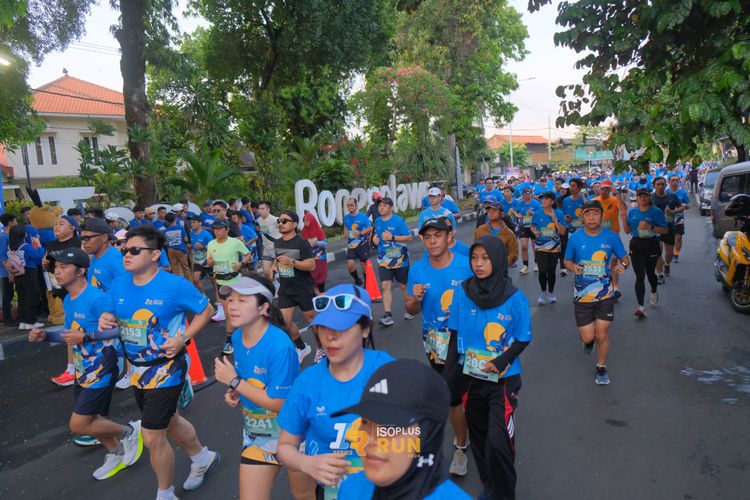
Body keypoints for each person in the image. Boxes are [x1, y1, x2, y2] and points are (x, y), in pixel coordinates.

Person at [98, 225, 219, 500]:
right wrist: (106, 318)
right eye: (124, 250)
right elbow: (111, 313)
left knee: (152, 436)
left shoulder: (174, 286)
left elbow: (207, 310)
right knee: (170, 420)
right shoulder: (119, 282)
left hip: (167, 368)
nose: (126, 255)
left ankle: (165, 494)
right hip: (137, 370)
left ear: (154, 255)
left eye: (134, 250)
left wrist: (183, 338)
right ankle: (203, 457)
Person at [28, 247, 144, 480]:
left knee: (79, 425)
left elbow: (120, 330)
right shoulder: (69, 300)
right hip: (83, 369)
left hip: (103, 367)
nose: (57, 271)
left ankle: (130, 431)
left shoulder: (98, 299)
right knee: (95, 420)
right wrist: (46, 336)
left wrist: (86, 337)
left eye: (63, 267)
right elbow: (71, 334)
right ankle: (116, 453)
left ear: (81, 271)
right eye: (56, 267)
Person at [276, 284, 394, 500]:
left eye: (342, 327)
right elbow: (285, 446)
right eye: (323, 327)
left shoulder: (390, 373)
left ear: (365, 329)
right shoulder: (307, 383)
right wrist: (307, 463)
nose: (330, 337)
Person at [446, 236, 532, 500]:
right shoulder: (463, 292)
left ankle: (505, 493)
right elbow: (454, 336)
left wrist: (501, 361)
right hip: (472, 379)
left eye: (485, 258)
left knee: (498, 442)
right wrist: (448, 379)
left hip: (504, 381)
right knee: (480, 437)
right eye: (474, 258)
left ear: (497, 260)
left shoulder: (515, 298)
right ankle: (490, 486)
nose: (478, 264)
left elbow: (523, 338)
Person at [212, 276, 302, 500]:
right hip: (258, 436)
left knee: (304, 495)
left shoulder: (280, 346)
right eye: (230, 300)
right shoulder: (238, 336)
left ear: (263, 308)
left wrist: (235, 382)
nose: (232, 306)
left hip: (295, 436)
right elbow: (249, 381)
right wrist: (235, 391)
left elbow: (280, 403)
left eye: (242, 300)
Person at [334, 359, 472, 499]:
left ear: (428, 435)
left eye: (389, 427)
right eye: (365, 422)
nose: (368, 439)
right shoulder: (350, 487)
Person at [405, 218, 473, 477]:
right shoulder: (418, 270)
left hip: (466, 339)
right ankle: (462, 441)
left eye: (437, 235)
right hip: (435, 343)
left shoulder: (465, 265)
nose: (432, 241)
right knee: (451, 394)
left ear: (449, 236)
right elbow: (411, 308)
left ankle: (462, 444)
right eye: (427, 237)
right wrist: (416, 299)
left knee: (460, 392)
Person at [563, 201, 629, 386]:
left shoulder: (611, 237)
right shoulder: (575, 237)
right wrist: (572, 267)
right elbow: (567, 260)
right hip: (582, 295)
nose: (591, 217)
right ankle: (588, 342)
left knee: (602, 333)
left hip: (604, 294)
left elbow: (625, 258)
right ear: (582, 217)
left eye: (595, 213)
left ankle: (601, 367)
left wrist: (623, 266)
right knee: (588, 337)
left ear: (601, 216)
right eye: (588, 214)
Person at [43, 215, 83, 386]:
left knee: (83, 328)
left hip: (80, 291)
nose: (56, 227)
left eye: (61, 224)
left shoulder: (79, 243)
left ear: (72, 228)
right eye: (55, 224)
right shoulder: (50, 245)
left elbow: (85, 265)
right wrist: (45, 264)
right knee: (70, 328)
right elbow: (50, 268)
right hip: (61, 290)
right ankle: (71, 370)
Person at [273, 210, 316, 363]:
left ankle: (322, 348)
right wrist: (273, 267)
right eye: (279, 220)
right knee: (284, 323)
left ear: (294, 224)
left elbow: (311, 265)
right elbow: (278, 261)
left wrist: (292, 262)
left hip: (303, 289)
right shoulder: (277, 243)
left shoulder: (301, 243)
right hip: (286, 289)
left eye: (285, 221)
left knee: (313, 321)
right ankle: (301, 347)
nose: (280, 223)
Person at [206, 219, 254, 354]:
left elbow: (248, 255)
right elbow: (209, 261)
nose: (216, 232)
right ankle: (231, 340)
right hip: (221, 283)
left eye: (219, 229)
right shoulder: (211, 244)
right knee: (229, 314)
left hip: (235, 283)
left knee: (239, 311)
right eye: (215, 229)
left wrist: (241, 264)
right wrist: (210, 262)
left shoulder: (235, 243)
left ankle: (245, 335)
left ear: (227, 230)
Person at [621, 188, 669, 317]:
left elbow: (665, 230)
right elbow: (627, 231)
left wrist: (650, 227)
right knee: (639, 276)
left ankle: (654, 289)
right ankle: (641, 306)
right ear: (636, 198)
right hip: (636, 244)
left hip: (651, 244)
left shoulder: (656, 212)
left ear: (649, 197)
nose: (642, 198)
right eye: (640, 196)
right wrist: (624, 220)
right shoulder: (633, 211)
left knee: (650, 273)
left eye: (645, 196)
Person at [372, 197, 413, 326]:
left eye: (384, 206)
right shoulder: (378, 221)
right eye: (380, 206)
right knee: (385, 286)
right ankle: (388, 315)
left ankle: (411, 307)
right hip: (384, 260)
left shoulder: (398, 221)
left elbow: (409, 237)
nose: (381, 208)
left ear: (391, 208)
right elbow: (377, 235)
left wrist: (392, 237)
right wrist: (374, 240)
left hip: (400, 260)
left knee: (403, 286)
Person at [530, 192, 566, 305]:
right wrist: (534, 232)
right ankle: (543, 292)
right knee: (542, 270)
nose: (543, 201)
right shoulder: (537, 213)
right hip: (540, 246)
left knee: (551, 271)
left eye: (546, 199)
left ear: (552, 201)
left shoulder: (559, 213)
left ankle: (551, 293)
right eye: (542, 199)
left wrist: (555, 219)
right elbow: (532, 226)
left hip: (554, 247)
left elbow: (562, 232)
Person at [593, 179, 627, 298]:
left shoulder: (614, 200)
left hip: (613, 236)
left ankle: (615, 288)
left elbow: (623, 208)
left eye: (607, 189)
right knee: (599, 262)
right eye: (603, 189)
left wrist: (616, 193)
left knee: (614, 262)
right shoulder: (595, 201)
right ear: (600, 189)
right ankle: (601, 286)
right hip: (598, 236)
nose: (605, 191)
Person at [8, 225, 45, 330]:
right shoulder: (26, 247)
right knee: (32, 296)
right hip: (29, 272)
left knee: (22, 297)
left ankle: (22, 321)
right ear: (23, 234)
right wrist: (39, 245)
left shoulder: (11, 247)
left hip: (18, 274)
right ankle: (31, 321)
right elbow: (38, 256)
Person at [651, 177, 684, 283]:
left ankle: (667, 264)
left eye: (662, 184)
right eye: (658, 184)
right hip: (656, 229)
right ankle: (660, 274)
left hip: (669, 228)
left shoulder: (672, 196)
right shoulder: (651, 198)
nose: (660, 186)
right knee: (657, 252)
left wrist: (673, 212)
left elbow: (681, 207)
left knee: (669, 254)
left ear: (666, 185)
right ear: (654, 186)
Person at [473, 197, 518, 267]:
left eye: (494, 211)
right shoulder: (480, 230)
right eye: (489, 211)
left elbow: (513, 253)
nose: (491, 213)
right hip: (484, 267)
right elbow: (475, 249)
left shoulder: (509, 233)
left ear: (501, 213)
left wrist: (504, 264)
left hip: (501, 269)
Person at [509, 188, 542, 274]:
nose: (526, 195)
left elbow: (541, 213)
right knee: (524, 246)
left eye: (528, 193)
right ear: (522, 195)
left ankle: (536, 263)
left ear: (531, 194)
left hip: (534, 226)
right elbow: (515, 212)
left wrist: (532, 213)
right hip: (523, 226)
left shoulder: (536, 203)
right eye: (524, 194)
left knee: (534, 246)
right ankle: (525, 266)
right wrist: (517, 215)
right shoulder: (520, 203)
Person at [344, 197, 372, 287]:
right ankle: (357, 280)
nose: (349, 207)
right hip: (351, 244)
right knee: (350, 265)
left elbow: (369, 228)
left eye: (351, 205)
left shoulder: (363, 217)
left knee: (363, 264)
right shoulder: (346, 217)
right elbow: (346, 227)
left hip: (362, 243)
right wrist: (345, 235)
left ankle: (367, 282)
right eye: (348, 205)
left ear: (356, 205)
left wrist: (360, 233)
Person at [561, 178, 586, 277]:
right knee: (574, 251)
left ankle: (584, 270)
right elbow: (563, 215)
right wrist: (566, 218)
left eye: (573, 186)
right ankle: (577, 270)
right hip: (570, 230)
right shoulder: (566, 200)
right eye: (570, 185)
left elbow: (589, 211)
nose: (571, 188)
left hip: (584, 229)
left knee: (583, 251)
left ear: (579, 188)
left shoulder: (584, 198)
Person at [301, 213, 328, 294]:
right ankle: (317, 295)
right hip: (310, 257)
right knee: (312, 277)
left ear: (312, 220)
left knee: (320, 276)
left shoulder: (319, 230)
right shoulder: (303, 231)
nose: (305, 222)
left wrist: (315, 242)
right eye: (304, 220)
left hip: (320, 256)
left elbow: (324, 244)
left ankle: (322, 294)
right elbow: (302, 244)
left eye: (307, 220)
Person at [667, 174, 691, 263]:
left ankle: (676, 253)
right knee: (669, 238)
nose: (675, 182)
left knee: (679, 237)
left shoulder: (682, 193)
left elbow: (688, 204)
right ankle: (669, 252)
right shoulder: (666, 192)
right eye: (673, 180)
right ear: (669, 182)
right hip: (667, 218)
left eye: (676, 180)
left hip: (679, 218)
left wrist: (685, 206)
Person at [187, 215, 214, 293]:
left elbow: (214, 247)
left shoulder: (206, 234)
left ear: (200, 223)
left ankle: (218, 295)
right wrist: (190, 246)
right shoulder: (191, 233)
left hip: (208, 258)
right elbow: (194, 245)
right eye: (191, 223)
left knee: (213, 280)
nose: (192, 224)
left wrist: (203, 246)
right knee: (195, 280)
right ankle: (204, 296)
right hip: (198, 258)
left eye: (194, 222)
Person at [257, 201, 282, 282]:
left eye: (262, 209)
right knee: (266, 272)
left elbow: (287, 228)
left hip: (278, 249)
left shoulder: (275, 219)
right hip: (267, 249)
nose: (260, 210)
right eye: (259, 208)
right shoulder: (259, 220)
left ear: (268, 209)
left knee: (283, 272)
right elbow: (264, 233)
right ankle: (274, 285)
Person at [163, 213, 191, 281]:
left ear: (167, 221)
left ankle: (178, 283)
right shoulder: (180, 227)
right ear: (175, 218)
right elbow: (186, 239)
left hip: (170, 250)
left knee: (175, 268)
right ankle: (189, 283)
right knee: (185, 268)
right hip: (181, 249)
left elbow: (166, 241)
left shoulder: (166, 230)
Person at [0, 213, 17, 326]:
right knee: (7, 295)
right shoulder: (3, 237)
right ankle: (7, 319)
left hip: (10, 271)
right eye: (15, 221)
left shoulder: (10, 236)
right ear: (10, 223)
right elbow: (2, 256)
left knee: (9, 294)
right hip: (5, 272)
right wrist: (9, 271)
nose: (16, 223)